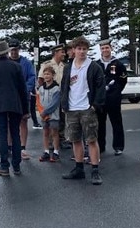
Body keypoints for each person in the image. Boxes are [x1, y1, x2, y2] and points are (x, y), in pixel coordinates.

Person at [60, 36, 105, 185]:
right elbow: (64, 86)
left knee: (91, 140)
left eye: (84, 49)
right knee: (75, 139)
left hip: (87, 109)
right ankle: (78, 168)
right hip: (72, 109)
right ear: (73, 50)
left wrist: (95, 105)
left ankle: (95, 170)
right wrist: (64, 105)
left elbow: (100, 88)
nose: (81, 52)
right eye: (79, 49)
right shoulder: (68, 67)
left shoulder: (93, 67)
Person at [0, 40, 29, 177]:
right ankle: (16, 166)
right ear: (7, 51)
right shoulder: (16, 67)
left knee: (2, 135)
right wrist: (25, 109)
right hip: (15, 104)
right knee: (15, 134)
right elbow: (22, 89)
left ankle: (4, 166)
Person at [95, 39, 128, 155]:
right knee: (100, 124)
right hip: (100, 100)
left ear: (111, 48)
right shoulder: (96, 64)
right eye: (102, 48)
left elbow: (123, 80)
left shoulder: (118, 64)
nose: (105, 50)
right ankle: (101, 146)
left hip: (113, 99)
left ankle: (118, 146)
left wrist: (116, 92)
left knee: (116, 122)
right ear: (100, 50)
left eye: (107, 48)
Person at [7, 38, 36, 160]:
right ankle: (9, 146)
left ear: (19, 49)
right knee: (9, 121)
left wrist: (25, 89)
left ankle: (22, 147)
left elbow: (32, 77)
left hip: (23, 96)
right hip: (9, 96)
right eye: (12, 50)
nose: (14, 52)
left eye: (16, 49)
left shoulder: (26, 63)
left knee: (23, 121)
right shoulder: (5, 62)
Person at [40, 44, 67, 147]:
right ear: (56, 53)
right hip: (50, 95)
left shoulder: (64, 66)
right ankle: (51, 141)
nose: (64, 54)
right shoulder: (47, 65)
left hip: (61, 94)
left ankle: (61, 139)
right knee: (50, 118)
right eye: (62, 52)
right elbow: (41, 79)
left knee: (61, 117)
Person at [37, 66, 61, 162]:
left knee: (54, 132)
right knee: (46, 133)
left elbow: (54, 103)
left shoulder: (56, 88)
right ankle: (46, 151)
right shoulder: (41, 88)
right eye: (45, 74)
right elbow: (38, 101)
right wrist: (41, 112)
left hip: (53, 115)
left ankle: (55, 151)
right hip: (43, 115)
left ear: (53, 75)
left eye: (48, 74)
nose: (46, 76)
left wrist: (46, 112)